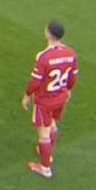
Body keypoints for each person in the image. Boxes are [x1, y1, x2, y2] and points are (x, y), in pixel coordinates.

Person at [22, 21, 78, 179]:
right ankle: (48, 153)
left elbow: (35, 81)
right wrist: (68, 90)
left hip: (45, 100)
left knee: (43, 134)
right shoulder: (71, 53)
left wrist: (27, 95)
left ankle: (45, 167)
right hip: (61, 97)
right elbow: (73, 76)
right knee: (52, 123)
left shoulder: (44, 56)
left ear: (47, 33)